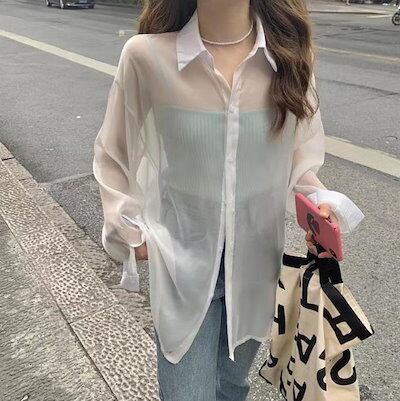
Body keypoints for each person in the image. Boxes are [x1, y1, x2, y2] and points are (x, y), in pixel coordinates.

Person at [92, 0, 365, 400]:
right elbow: (112, 154)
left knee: (232, 387)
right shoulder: (146, 57)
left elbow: (298, 161)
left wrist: (320, 206)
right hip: (183, 270)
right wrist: (127, 228)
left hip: (256, 269)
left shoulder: (289, 58)